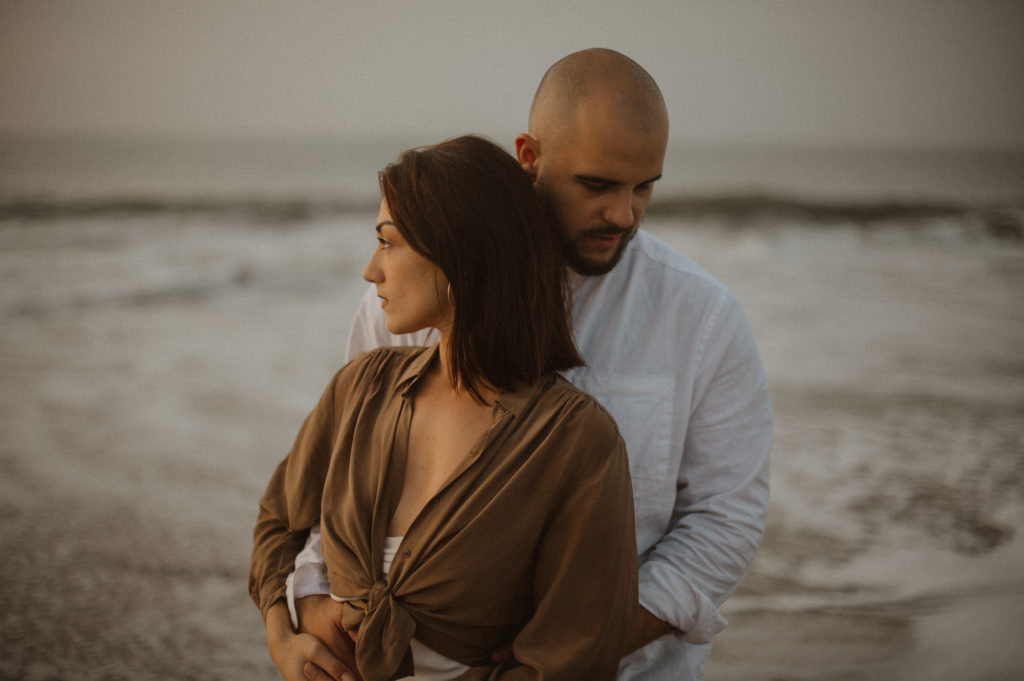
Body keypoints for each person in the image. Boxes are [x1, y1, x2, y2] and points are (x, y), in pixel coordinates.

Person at [285, 48, 773, 681]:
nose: (623, 214)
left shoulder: (704, 319)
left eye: (644, 186)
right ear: (529, 157)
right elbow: (343, 486)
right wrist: (306, 606)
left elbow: (725, 519)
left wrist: (566, 648)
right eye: (597, 185)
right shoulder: (404, 303)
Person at [249, 134, 639, 681]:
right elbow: (279, 521)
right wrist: (281, 638)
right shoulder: (361, 388)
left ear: (458, 256)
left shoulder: (575, 442)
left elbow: (574, 652)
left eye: (388, 243)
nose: (370, 270)